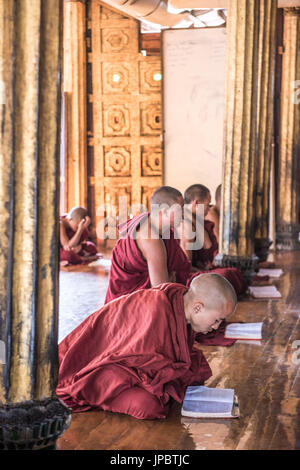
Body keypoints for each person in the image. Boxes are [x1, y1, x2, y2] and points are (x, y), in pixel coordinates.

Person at [56, 273, 237, 420]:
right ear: (197, 308)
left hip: (129, 360)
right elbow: (136, 356)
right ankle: (98, 395)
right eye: (217, 320)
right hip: (99, 364)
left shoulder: (180, 299)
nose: (216, 327)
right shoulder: (158, 309)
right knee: (148, 406)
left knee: (196, 370)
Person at [105, 186, 192, 304]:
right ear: (164, 211)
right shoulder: (150, 238)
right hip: (130, 302)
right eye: (180, 209)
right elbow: (161, 290)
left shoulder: (158, 224)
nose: (183, 214)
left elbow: (181, 265)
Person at [181, 184, 248, 296]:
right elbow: (185, 267)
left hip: (202, 269)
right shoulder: (186, 225)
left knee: (233, 273)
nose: (209, 208)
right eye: (208, 204)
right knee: (226, 276)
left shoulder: (196, 221)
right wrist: (203, 270)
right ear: (196, 203)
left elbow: (209, 246)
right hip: (188, 277)